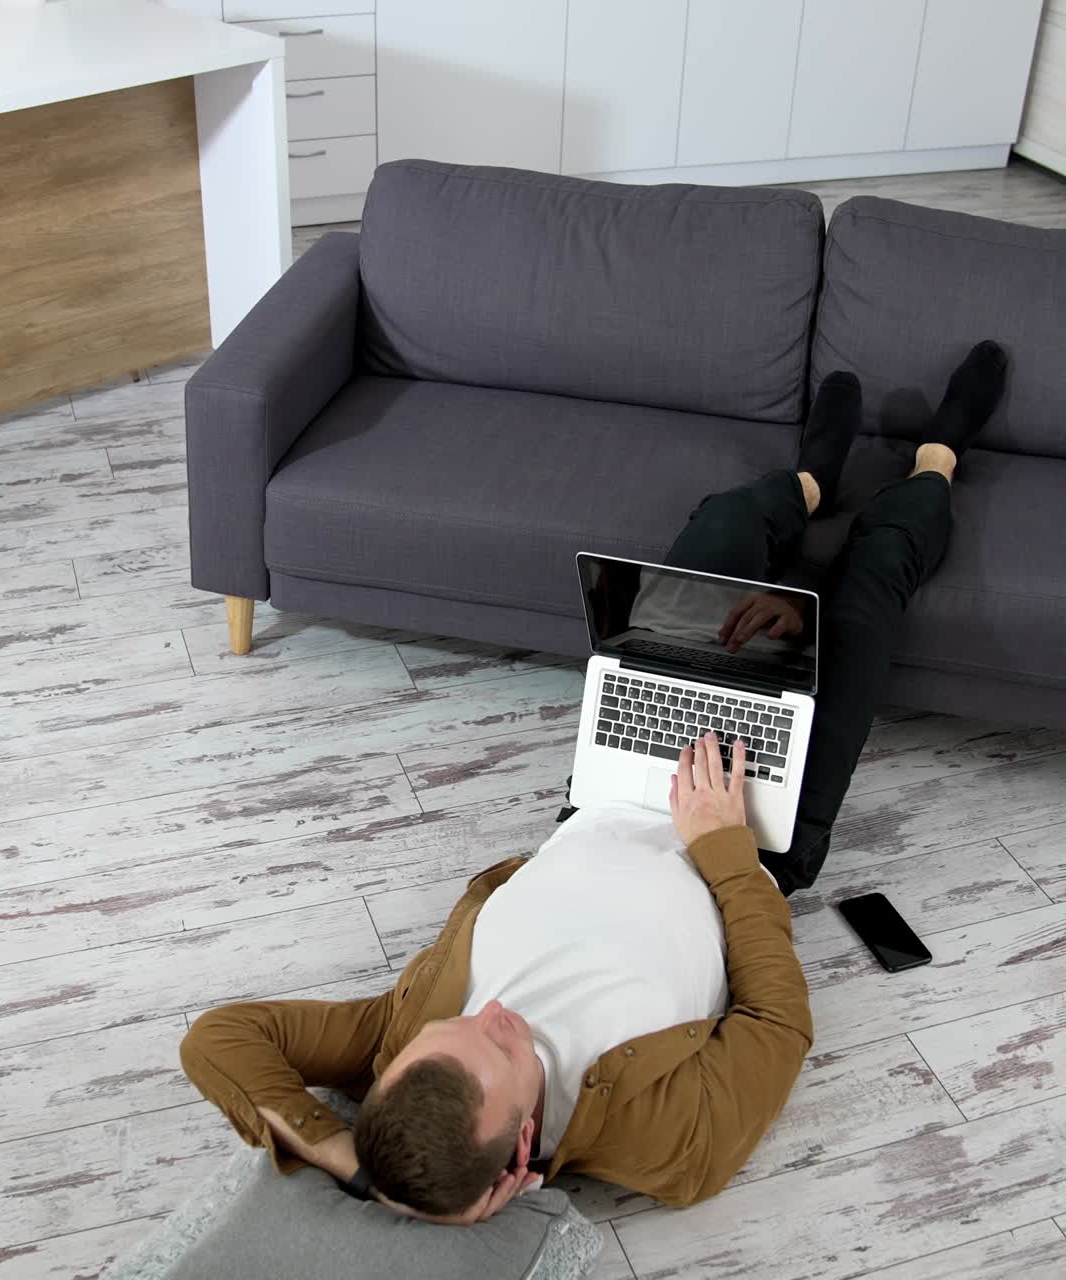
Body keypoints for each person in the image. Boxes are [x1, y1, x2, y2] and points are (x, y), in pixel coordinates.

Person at [180, 341, 1008, 1226]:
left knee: (718, 534)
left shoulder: (398, 1047)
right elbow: (778, 1025)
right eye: (501, 1044)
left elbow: (220, 1039)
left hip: (612, 789)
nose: (494, 1010)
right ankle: (935, 463)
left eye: (449, 1028)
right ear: (516, 1169)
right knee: (866, 596)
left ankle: (808, 483)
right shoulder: (671, 1148)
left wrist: (346, 1156)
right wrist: (723, 848)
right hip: (756, 831)